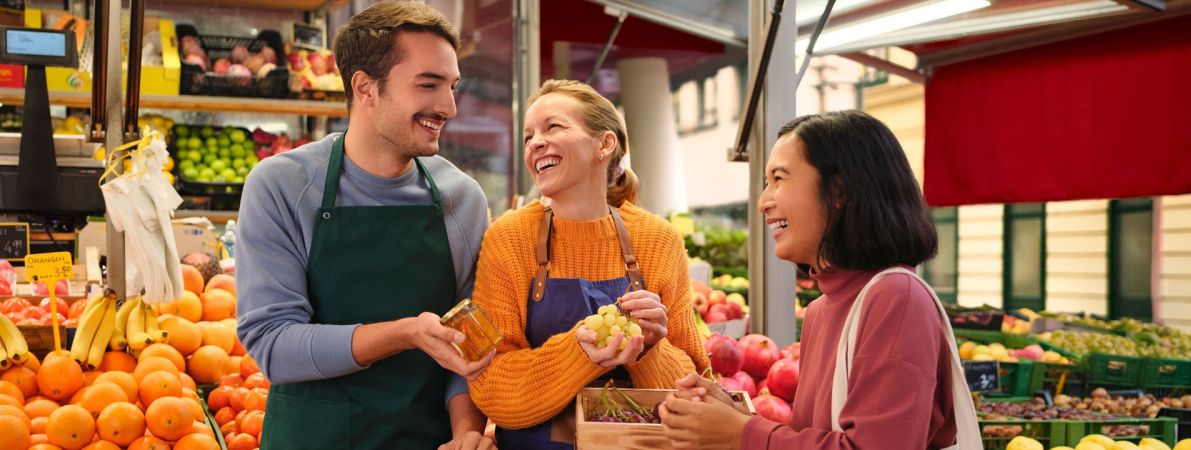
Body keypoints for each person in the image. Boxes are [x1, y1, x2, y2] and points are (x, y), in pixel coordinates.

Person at [235, 3, 496, 449]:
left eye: (452, 86)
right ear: (365, 87)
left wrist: (466, 434)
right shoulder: (281, 185)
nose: (449, 106)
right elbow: (274, 346)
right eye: (428, 85)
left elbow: (466, 350)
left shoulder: (463, 198)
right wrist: (404, 332)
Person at [659, 110, 983, 450]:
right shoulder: (820, 310)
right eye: (765, 184)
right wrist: (735, 417)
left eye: (779, 179)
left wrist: (742, 434)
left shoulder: (897, 298)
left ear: (839, 192)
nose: (763, 201)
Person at [467, 80, 709, 449]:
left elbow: (698, 385)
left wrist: (649, 350)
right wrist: (579, 353)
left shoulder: (659, 240)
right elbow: (489, 383)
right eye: (529, 136)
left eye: (554, 127)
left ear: (604, 144)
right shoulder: (509, 238)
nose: (535, 143)